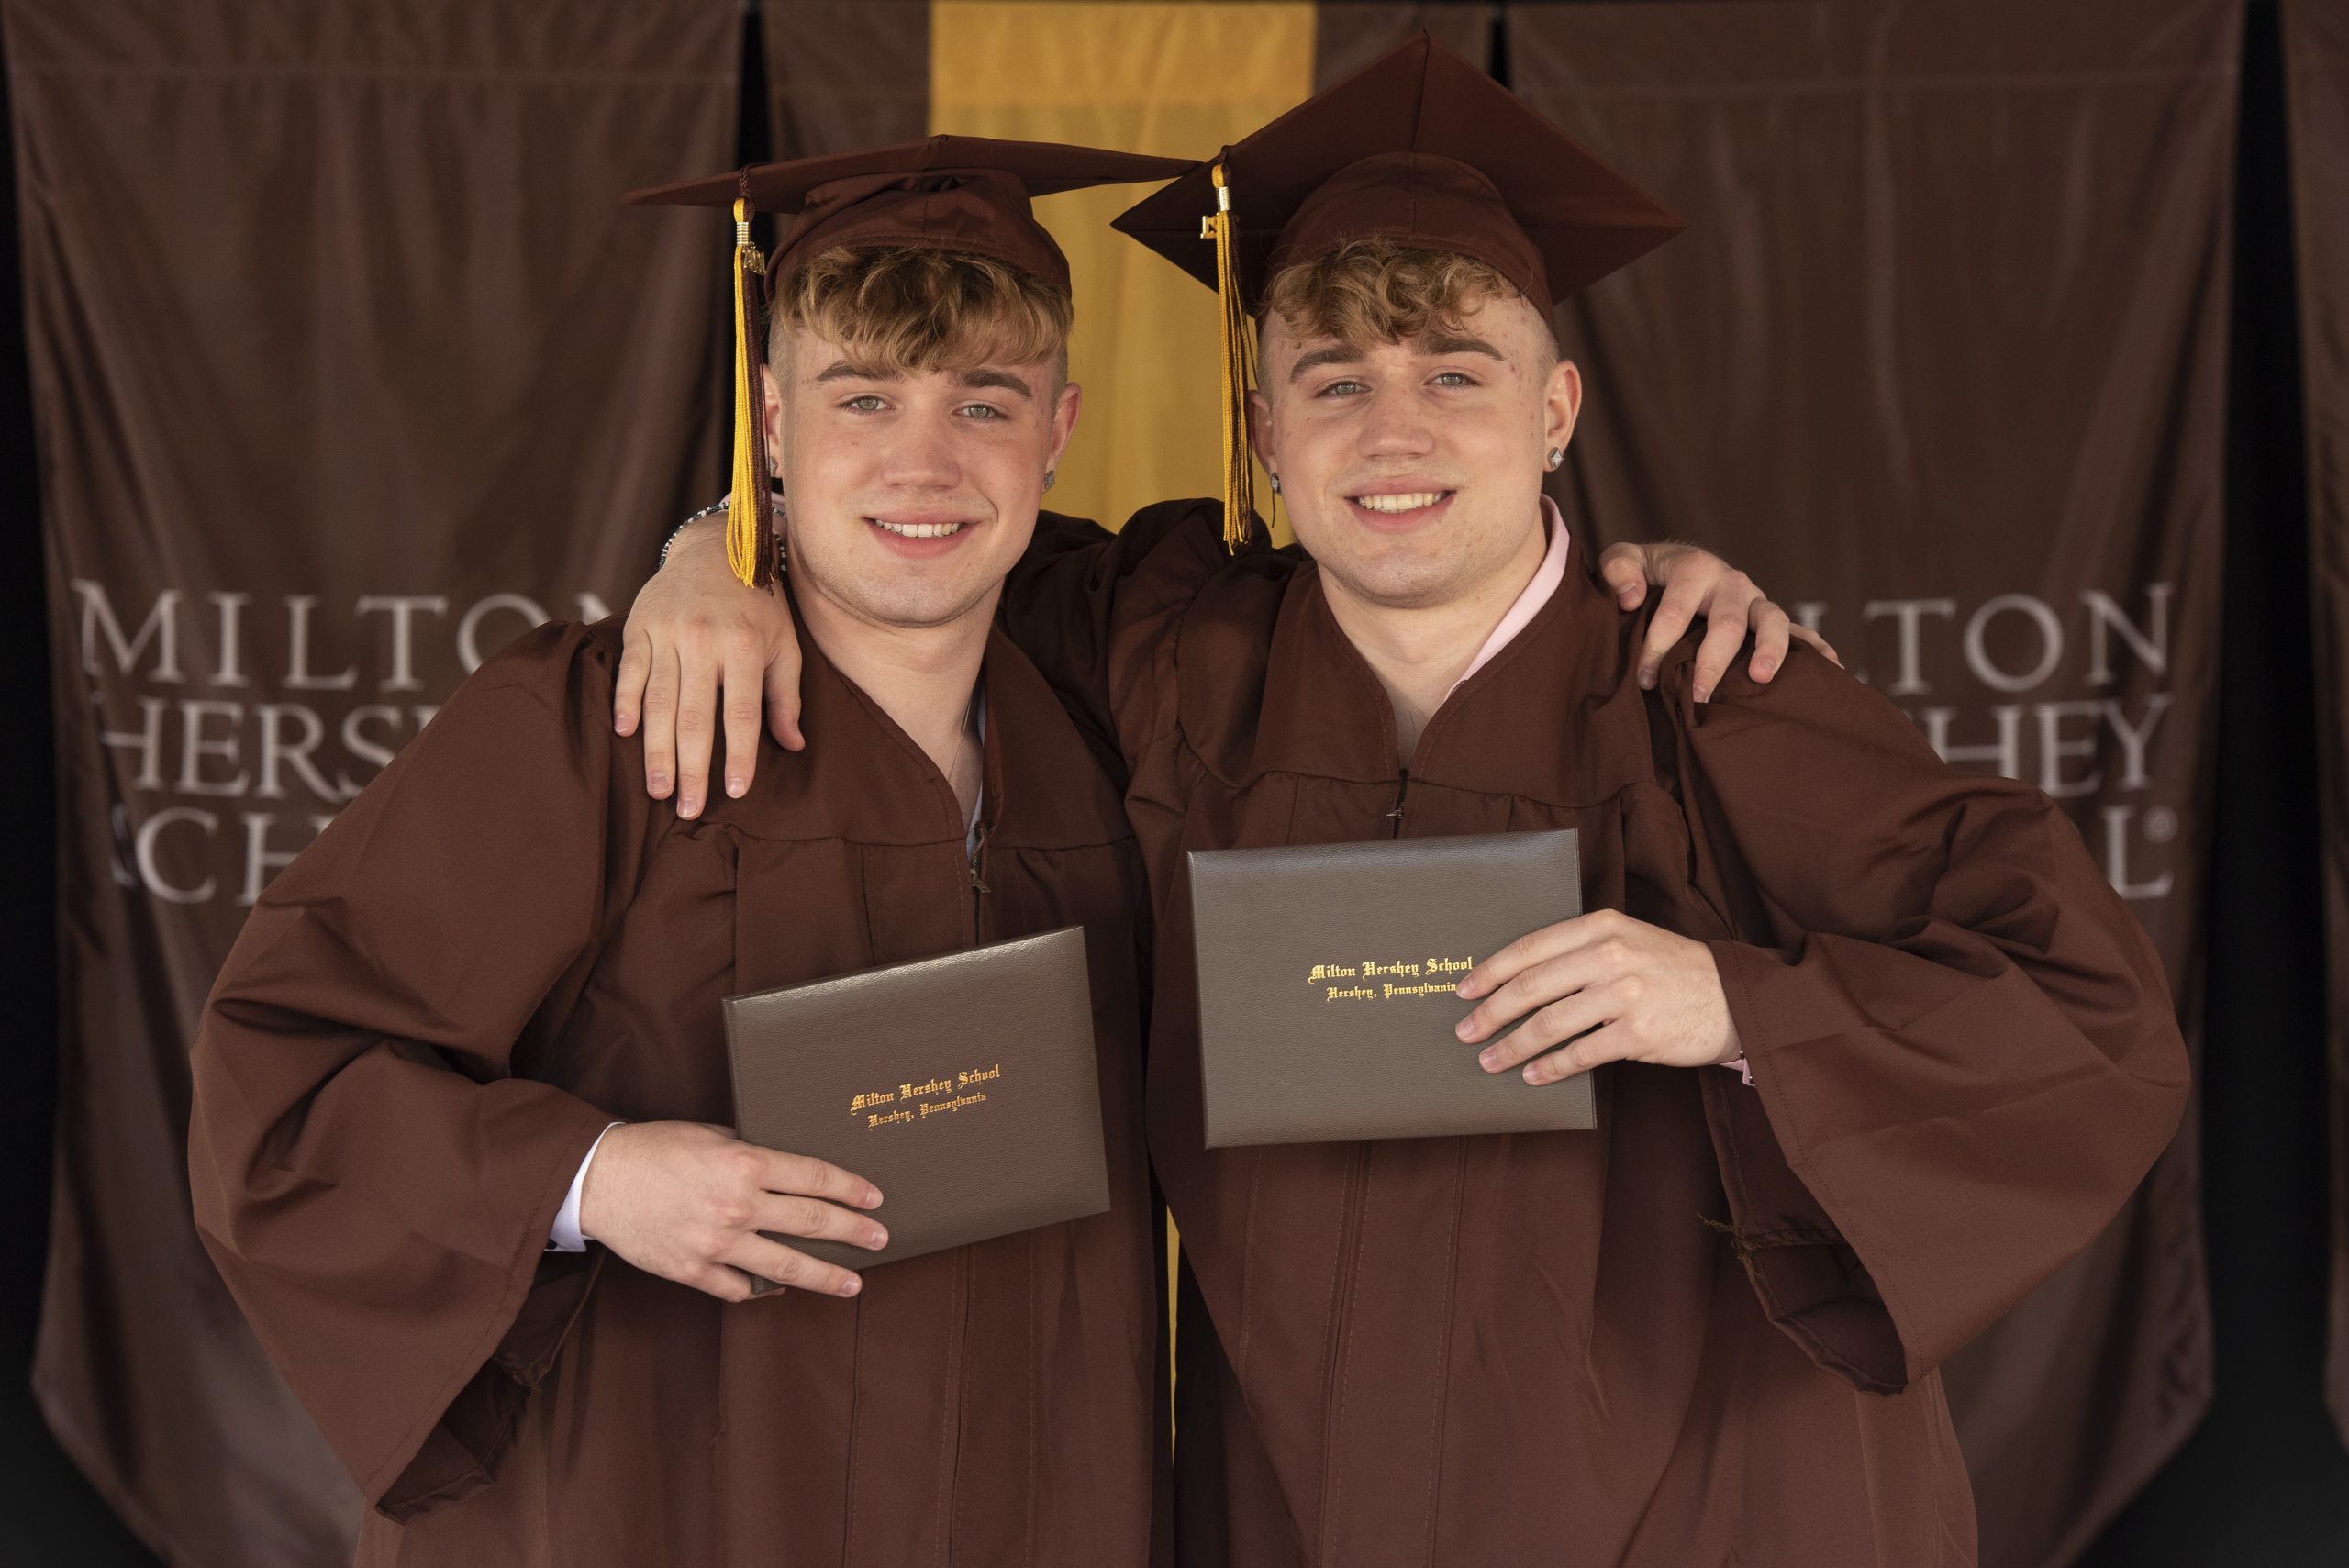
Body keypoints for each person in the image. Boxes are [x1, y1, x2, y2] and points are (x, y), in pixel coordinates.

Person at [617, 37, 2192, 1568]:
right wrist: (712, 548)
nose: (1395, 434)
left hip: (1702, 1506)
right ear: (1265, 433)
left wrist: (1731, 1006)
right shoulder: (1168, 649)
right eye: (1335, 379)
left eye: (1456, 372)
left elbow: (2090, 1005)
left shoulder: (1713, 687)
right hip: (1302, 1503)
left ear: (1556, 412)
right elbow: (917, 530)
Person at [187, 137, 1196, 1567]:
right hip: (660, 1502)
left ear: (1060, 427)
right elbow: (284, 1073)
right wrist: (593, 1178)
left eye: (985, 401)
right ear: (772, 424)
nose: (925, 461)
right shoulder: (594, 725)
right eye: (863, 398)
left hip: (1022, 1498)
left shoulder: (1111, 698)